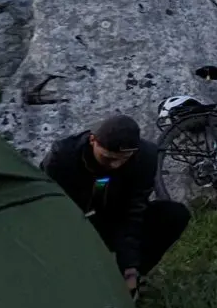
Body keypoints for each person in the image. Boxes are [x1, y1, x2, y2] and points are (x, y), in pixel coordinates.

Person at [42, 114, 188, 297]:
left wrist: (130, 267)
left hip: (112, 219)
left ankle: (126, 282)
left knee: (174, 215)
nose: (115, 165)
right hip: (69, 222)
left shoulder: (145, 158)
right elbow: (47, 207)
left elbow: (133, 212)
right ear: (92, 140)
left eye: (123, 158)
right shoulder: (62, 157)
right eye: (108, 158)